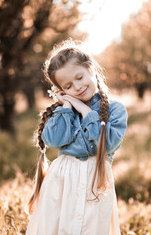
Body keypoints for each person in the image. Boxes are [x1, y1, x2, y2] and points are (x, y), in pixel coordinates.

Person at [25, 39, 128, 235]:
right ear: (61, 91)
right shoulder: (64, 112)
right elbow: (53, 140)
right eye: (69, 86)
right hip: (62, 184)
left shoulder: (115, 110)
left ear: (92, 69)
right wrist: (66, 107)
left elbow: (105, 144)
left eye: (80, 77)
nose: (78, 87)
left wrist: (84, 110)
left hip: (95, 186)